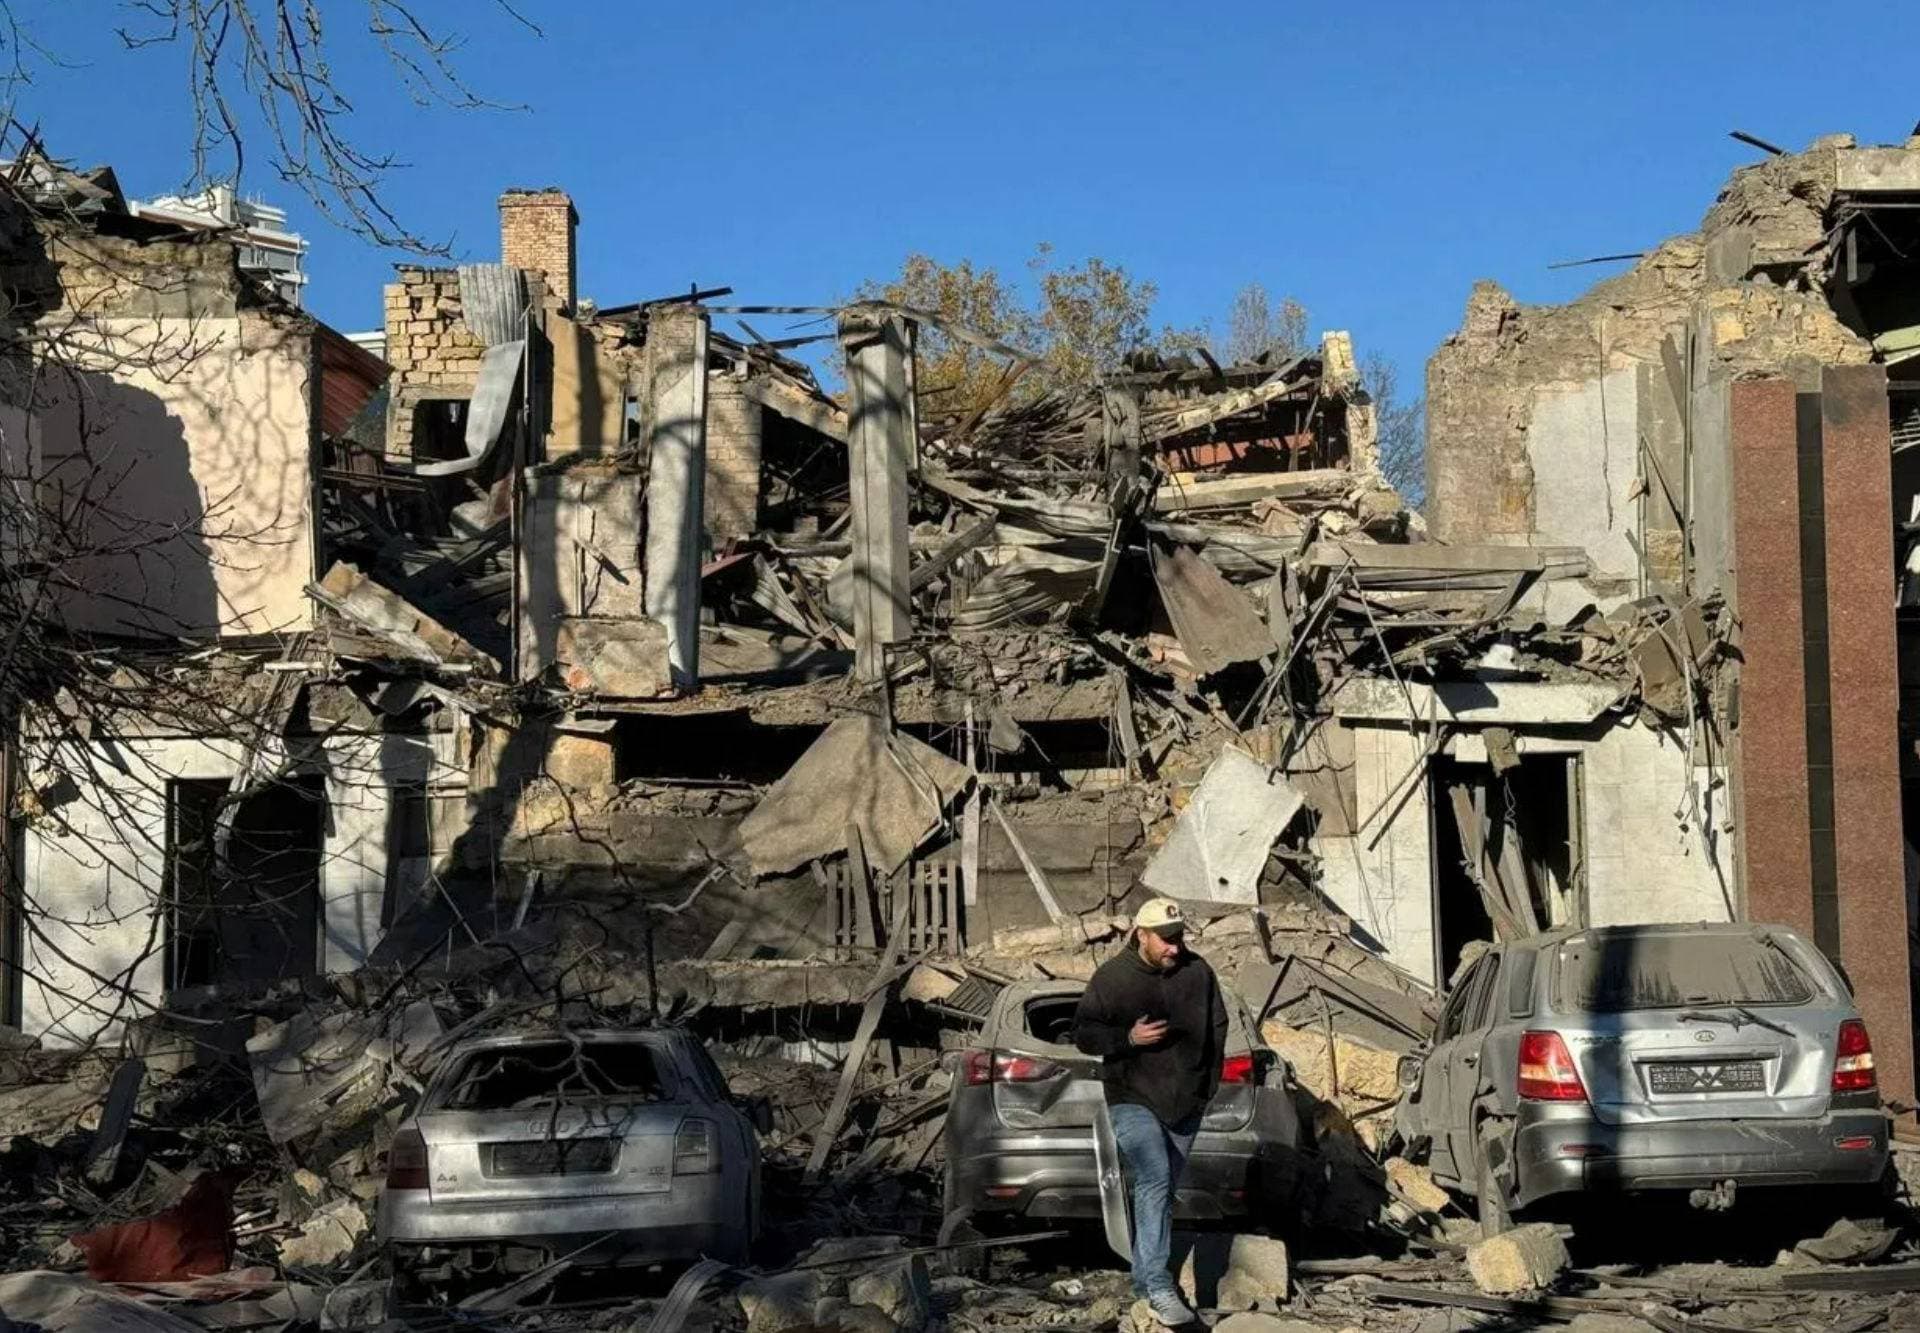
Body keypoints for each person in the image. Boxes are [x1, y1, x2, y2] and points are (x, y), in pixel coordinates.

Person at [1073, 896, 1227, 1328]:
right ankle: (1159, 1286)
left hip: (1185, 1102)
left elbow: (1218, 1028)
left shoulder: (1199, 973)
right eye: (1165, 940)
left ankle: (1144, 1281)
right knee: (1155, 1177)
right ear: (1141, 934)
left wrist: (1205, 1088)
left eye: (1179, 938)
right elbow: (1083, 1033)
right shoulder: (1112, 978)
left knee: (1161, 1192)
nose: (1174, 948)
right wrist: (1127, 1038)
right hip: (1132, 1096)